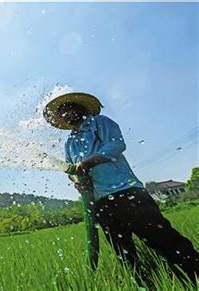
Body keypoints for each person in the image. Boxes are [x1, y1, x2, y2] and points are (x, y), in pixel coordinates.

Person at [42, 92, 198, 285]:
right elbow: (71, 169)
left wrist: (90, 162)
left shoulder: (99, 123)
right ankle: (145, 284)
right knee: (123, 252)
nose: (66, 114)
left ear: (80, 108)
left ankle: (193, 273)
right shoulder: (69, 143)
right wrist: (76, 181)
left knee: (161, 238)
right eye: (62, 112)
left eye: (69, 108)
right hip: (100, 202)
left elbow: (116, 144)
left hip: (127, 193)